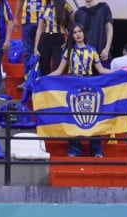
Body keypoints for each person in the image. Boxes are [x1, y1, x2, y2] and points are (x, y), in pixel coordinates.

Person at [49, 24, 111, 157]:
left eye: (80, 31)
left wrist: (117, 73)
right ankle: (74, 150)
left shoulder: (92, 50)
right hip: (73, 88)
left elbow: (101, 70)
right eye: (75, 32)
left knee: (93, 118)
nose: (78, 34)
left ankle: (97, 151)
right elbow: (59, 71)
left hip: (89, 88)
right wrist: (43, 78)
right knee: (73, 118)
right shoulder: (68, 51)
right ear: (72, 35)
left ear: (84, 33)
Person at [34, 0, 70, 75]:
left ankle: (54, 83)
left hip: (59, 38)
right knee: (44, 67)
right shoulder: (43, 8)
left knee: (57, 66)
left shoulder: (65, 6)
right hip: (45, 38)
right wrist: (36, 47)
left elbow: (73, 24)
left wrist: (68, 41)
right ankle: (45, 82)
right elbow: (39, 29)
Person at [16, 0, 44, 78]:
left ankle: (40, 77)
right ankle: (27, 77)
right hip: (27, 21)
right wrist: (15, 18)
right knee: (27, 50)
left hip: (42, 21)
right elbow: (20, 1)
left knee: (42, 51)